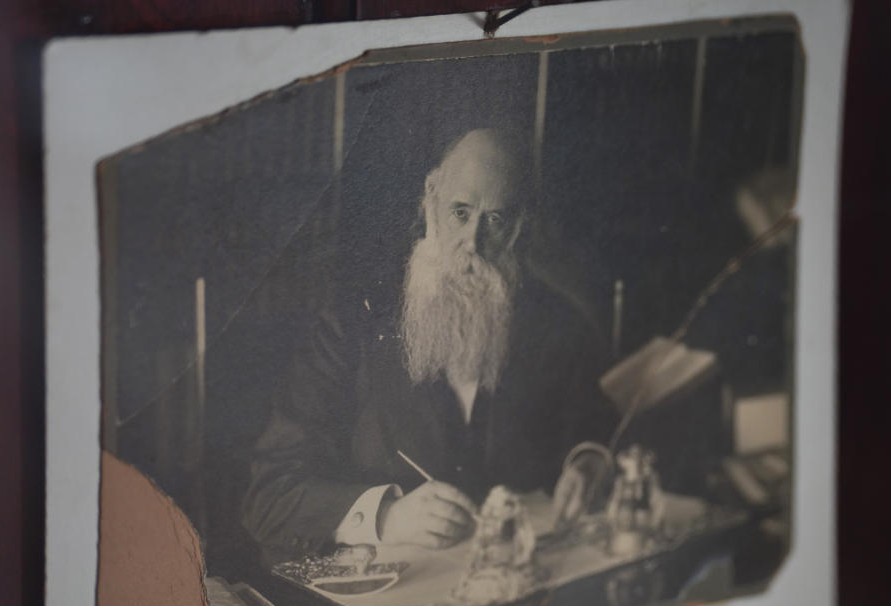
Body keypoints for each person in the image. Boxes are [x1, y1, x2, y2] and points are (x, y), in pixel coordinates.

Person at [241, 129, 618, 559]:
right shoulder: (354, 321)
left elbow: (599, 428)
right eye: (460, 212)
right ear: (430, 198)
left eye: (494, 221)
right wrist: (387, 517)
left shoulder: (554, 323)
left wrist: (589, 462)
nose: (472, 243)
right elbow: (269, 497)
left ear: (518, 226)